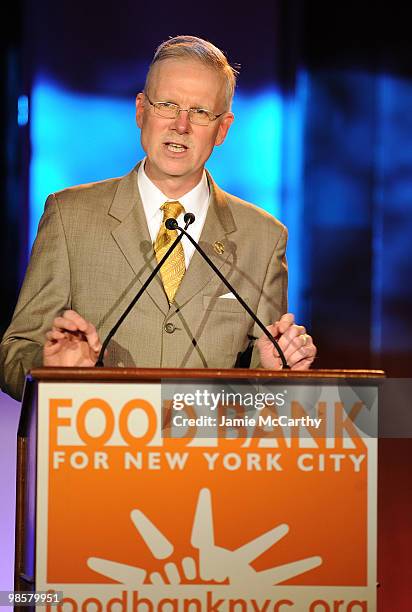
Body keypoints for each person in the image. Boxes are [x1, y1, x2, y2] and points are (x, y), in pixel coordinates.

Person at [0, 35, 316, 401]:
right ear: (141, 111)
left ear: (223, 128)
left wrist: (277, 376)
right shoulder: (70, 216)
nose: (180, 125)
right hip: (98, 450)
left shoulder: (263, 237)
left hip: (208, 453)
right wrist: (52, 371)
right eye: (167, 105)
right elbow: (15, 353)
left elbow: (266, 379)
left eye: (199, 112)